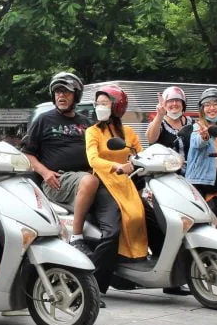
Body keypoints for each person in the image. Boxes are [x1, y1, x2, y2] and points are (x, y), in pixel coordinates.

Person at [22, 72, 99, 255]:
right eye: (57, 92)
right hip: (57, 180)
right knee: (89, 181)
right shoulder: (43, 120)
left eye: (66, 92)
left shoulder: (87, 123)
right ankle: (77, 238)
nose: (61, 96)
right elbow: (27, 154)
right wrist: (45, 173)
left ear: (76, 96)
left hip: (85, 177)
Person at [84, 86, 148, 292]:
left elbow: (141, 154)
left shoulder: (128, 132)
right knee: (111, 232)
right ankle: (94, 284)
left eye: (105, 103)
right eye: (98, 103)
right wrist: (117, 166)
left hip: (126, 184)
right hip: (103, 183)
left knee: (152, 217)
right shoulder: (92, 131)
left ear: (117, 106)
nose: (100, 107)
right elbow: (93, 159)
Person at [184, 87, 217, 224]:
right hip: (201, 182)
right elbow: (197, 143)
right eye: (207, 105)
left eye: (215, 104)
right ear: (202, 109)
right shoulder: (198, 127)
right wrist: (204, 136)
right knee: (205, 221)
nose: (212, 108)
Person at [145, 85, 191, 152]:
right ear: (164, 104)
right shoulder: (159, 123)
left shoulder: (192, 123)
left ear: (183, 104)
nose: (174, 103)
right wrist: (159, 115)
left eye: (178, 100)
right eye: (170, 101)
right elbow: (151, 140)